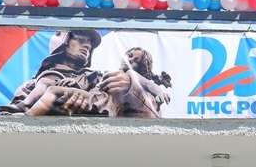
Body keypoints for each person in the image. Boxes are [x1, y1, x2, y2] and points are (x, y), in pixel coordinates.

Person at [22, 47, 172, 117]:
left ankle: (27, 119)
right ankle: (23, 105)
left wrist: (160, 93)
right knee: (48, 83)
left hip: (101, 103)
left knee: (53, 91)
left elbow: (150, 84)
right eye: (129, 55)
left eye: (136, 60)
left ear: (141, 67)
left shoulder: (131, 75)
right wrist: (75, 85)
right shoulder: (108, 73)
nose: (130, 60)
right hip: (92, 97)